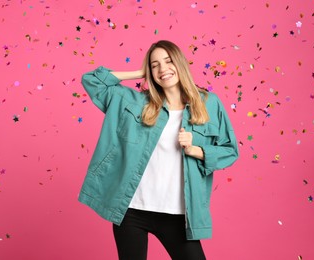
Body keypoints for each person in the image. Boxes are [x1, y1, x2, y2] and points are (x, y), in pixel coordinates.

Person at [78, 40, 239, 260]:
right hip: (131, 211)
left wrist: (196, 150)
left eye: (168, 61)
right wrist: (139, 72)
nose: (163, 69)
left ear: (179, 63)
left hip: (177, 214)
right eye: (155, 65)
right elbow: (91, 80)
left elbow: (230, 150)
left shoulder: (209, 103)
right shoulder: (136, 102)